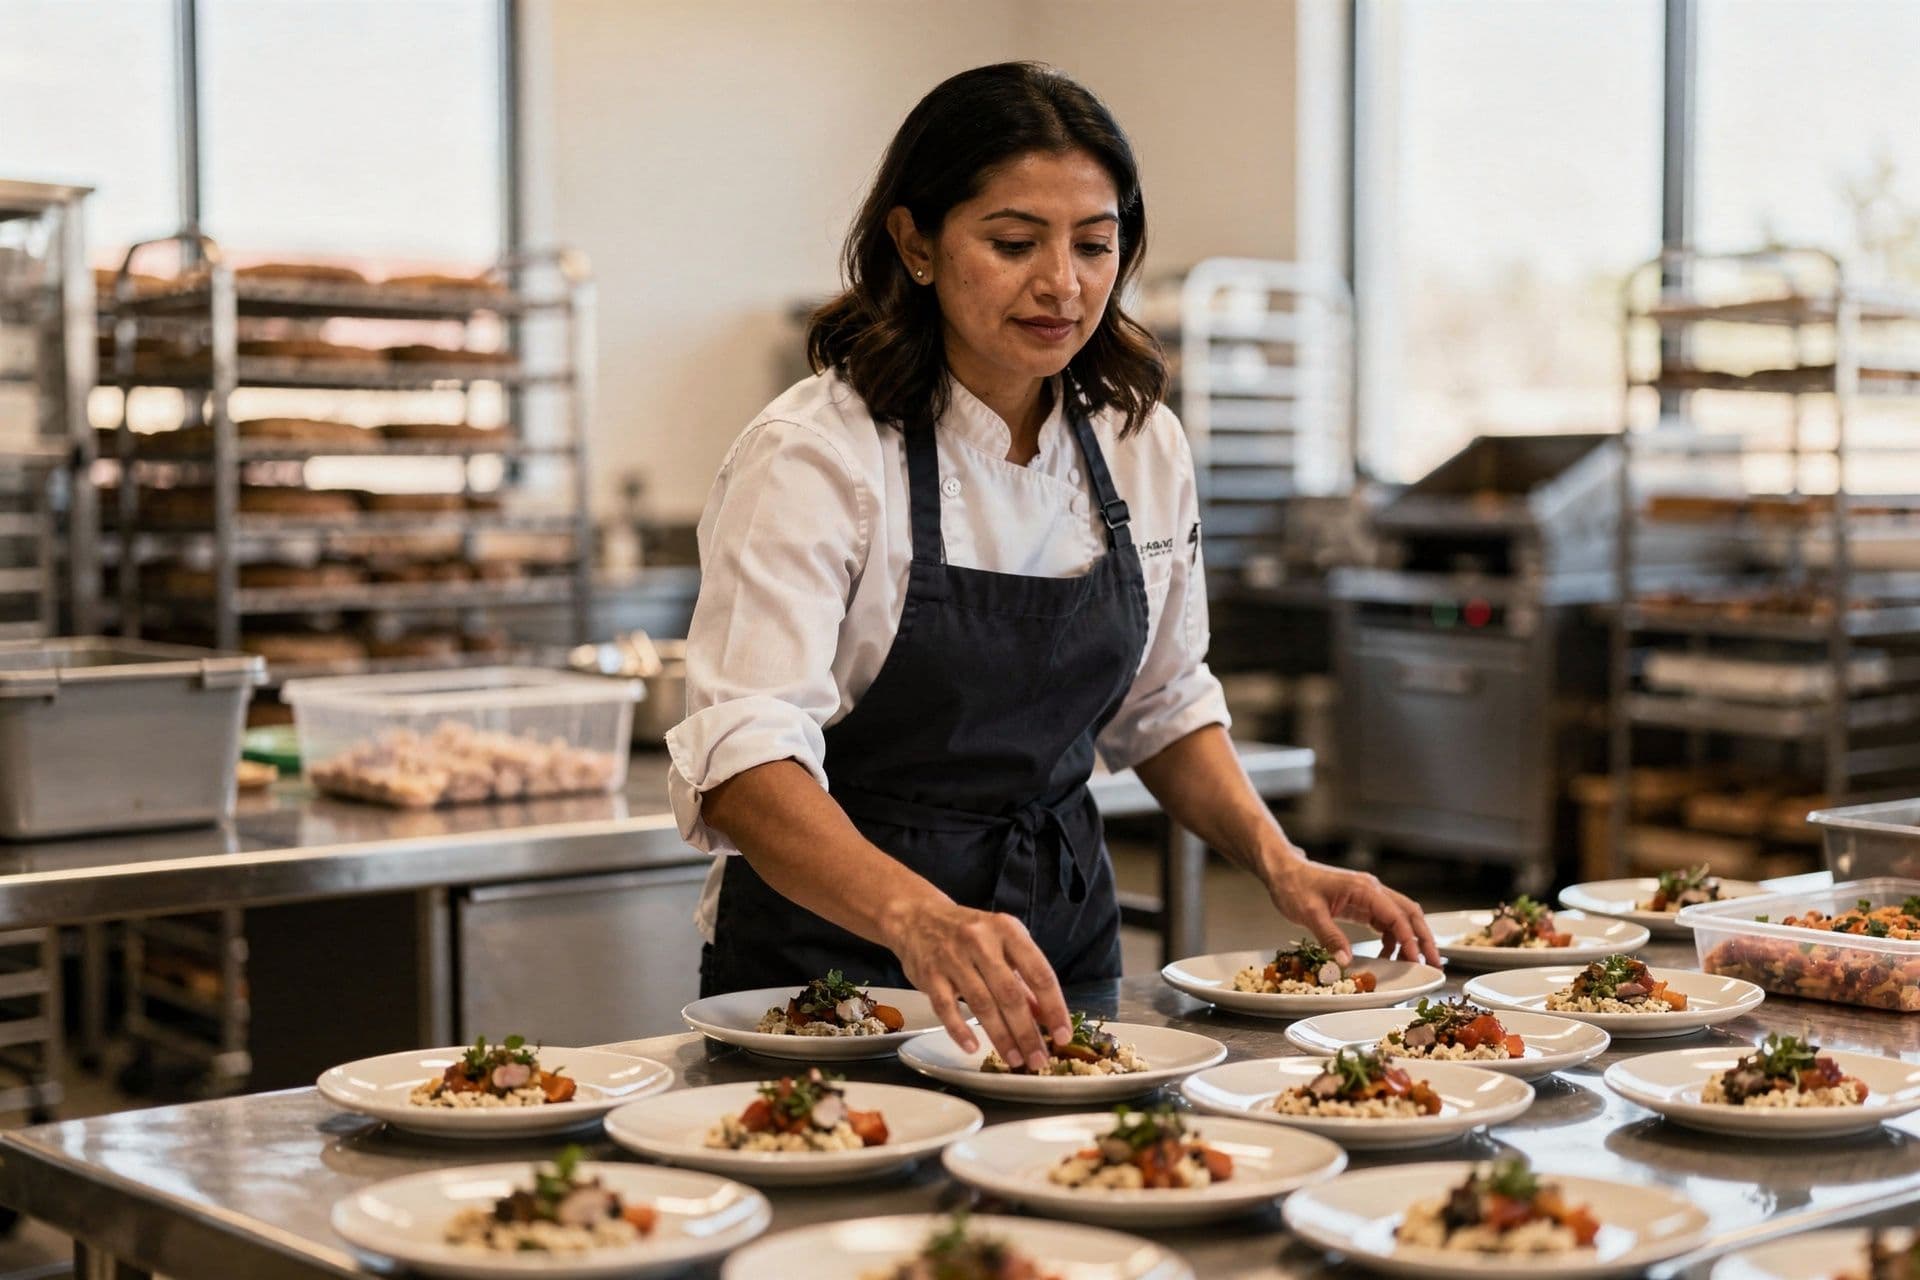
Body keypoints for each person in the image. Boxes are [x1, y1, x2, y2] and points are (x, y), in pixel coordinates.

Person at [666, 61, 1438, 1072]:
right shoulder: (818, 453)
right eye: (1014, 242)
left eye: (1095, 243)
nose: (1062, 284)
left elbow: (1163, 701)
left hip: (1055, 947)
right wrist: (925, 918)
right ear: (917, 244)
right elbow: (743, 764)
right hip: (834, 969)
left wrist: (1278, 861)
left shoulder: (1137, 439)